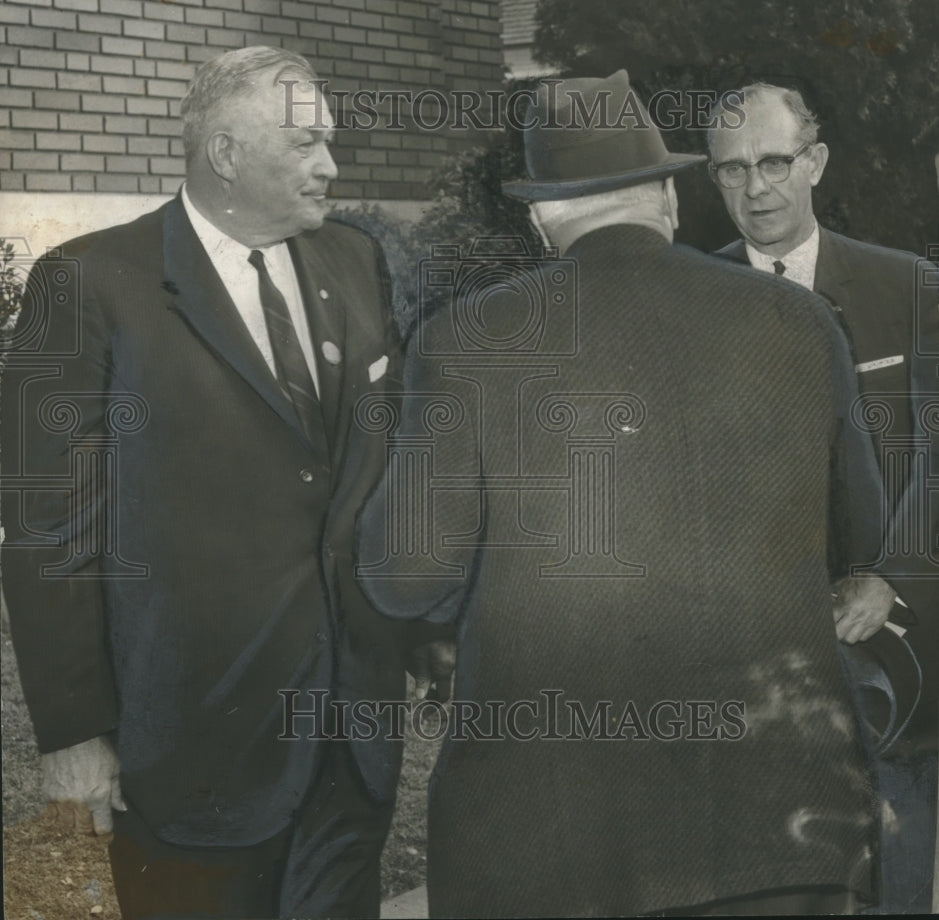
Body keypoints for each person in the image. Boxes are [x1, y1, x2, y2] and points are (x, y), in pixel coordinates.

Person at [356, 69, 889, 916]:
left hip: (554, 840)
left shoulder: (464, 342)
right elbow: (861, 528)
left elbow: (404, 575)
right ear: (669, 201)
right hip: (782, 824)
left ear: (540, 219)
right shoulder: (800, 322)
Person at [0, 46, 428, 919]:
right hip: (192, 745)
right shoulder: (87, 284)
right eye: (306, 145)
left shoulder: (352, 260)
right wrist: (77, 730)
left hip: (349, 739)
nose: (331, 167)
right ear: (225, 153)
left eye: (330, 143)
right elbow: (48, 525)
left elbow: (382, 465)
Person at [707, 82, 939, 913]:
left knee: (895, 869)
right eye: (730, 169)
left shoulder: (907, 287)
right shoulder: (693, 302)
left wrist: (891, 579)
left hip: (895, 657)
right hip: (754, 666)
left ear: (815, 163)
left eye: (773, 162)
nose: (755, 188)